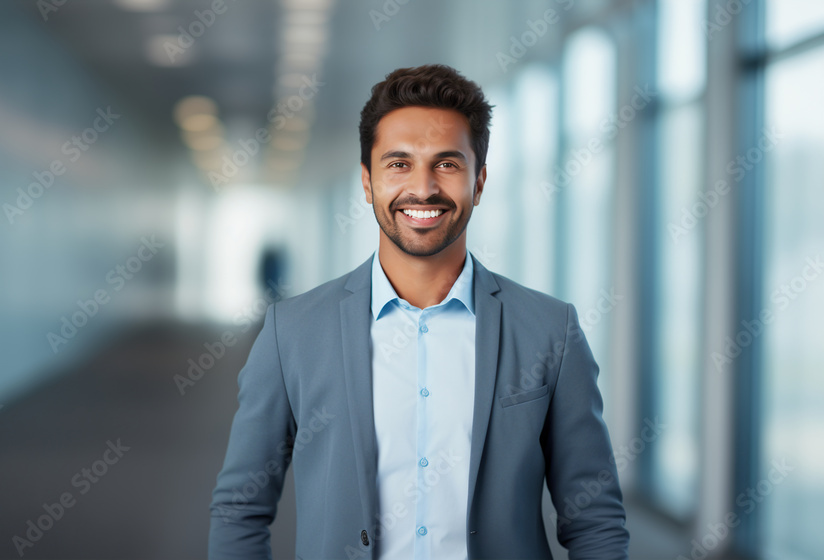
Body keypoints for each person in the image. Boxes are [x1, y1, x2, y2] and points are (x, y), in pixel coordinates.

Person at [208, 64, 629, 559]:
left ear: (480, 181)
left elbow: (594, 518)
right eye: (399, 164)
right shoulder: (293, 332)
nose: (424, 189)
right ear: (368, 182)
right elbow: (241, 507)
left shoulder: (549, 331)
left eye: (447, 164)